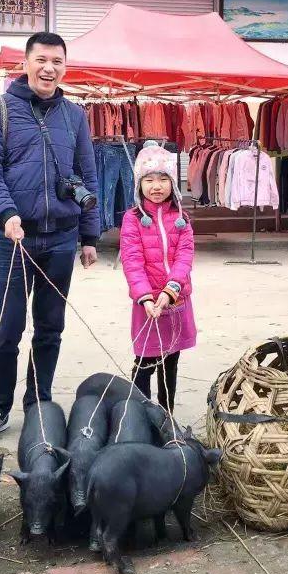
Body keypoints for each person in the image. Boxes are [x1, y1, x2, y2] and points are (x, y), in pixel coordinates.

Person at [0, 32, 99, 443]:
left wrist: (89, 234)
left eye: (57, 61)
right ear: (25, 63)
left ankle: (39, 402)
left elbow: (88, 171)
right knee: (7, 327)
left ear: (65, 65)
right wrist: (5, 213)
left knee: (50, 328)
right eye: (41, 59)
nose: (49, 68)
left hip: (60, 239)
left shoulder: (75, 115)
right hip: (14, 239)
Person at [119, 142, 197, 413]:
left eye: (163, 179)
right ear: (139, 184)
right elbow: (132, 261)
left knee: (170, 360)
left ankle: (166, 414)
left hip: (175, 302)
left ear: (173, 183)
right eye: (149, 179)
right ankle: (139, 416)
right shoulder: (132, 219)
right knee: (145, 361)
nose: (156, 186)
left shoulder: (182, 218)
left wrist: (171, 290)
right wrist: (145, 296)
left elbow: (185, 257)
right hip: (148, 305)